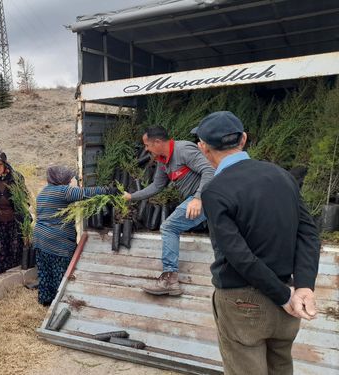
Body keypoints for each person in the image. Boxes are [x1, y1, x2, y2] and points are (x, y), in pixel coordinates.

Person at [195, 111, 320, 375]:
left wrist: (283, 295)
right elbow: (308, 232)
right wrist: (304, 287)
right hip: (288, 297)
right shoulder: (282, 176)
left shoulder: (215, 191)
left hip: (244, 303)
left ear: (203, 148)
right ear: (243, 139)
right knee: (281, 368)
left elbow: (239, 256)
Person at [123, 126, 214, 296]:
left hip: (209, 196)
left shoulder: (183, 149)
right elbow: (157, 186)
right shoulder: (163, 161)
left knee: (169, 227)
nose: (146, 149)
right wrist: (131, 197)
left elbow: (209, 170)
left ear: (157, 142)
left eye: (147, 145)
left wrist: (198, 198)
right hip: (200, 199)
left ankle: (170, 279)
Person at [34, 166, 116, 306]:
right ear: (60, 178)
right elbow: (85, 193)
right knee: (60, 271)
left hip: (40, 238)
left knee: (45, 271)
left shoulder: (43, 192)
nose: (69, 181)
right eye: (67, 178)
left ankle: (46, 300)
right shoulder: (62, 191)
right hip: (57, 241)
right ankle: (60, 302)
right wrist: (107, 190)